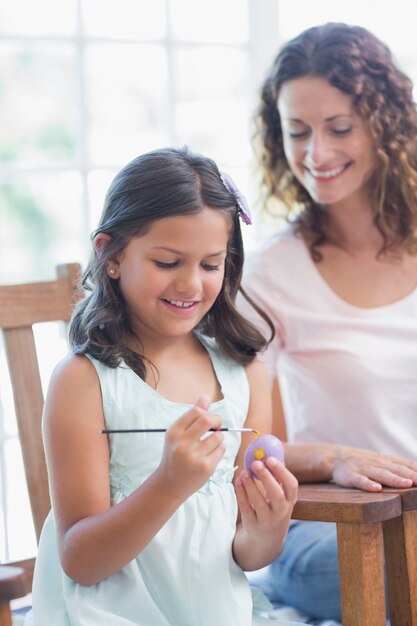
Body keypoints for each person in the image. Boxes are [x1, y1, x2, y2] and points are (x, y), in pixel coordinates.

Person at [31, 147, 302, 626]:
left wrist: (270, 526)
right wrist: (167, 485)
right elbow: (80, 560)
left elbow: (247, 554)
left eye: (211, 264)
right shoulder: (84, 381)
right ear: (110, 255)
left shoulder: (245, 376)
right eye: (168, 262)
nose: (191, 284)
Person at [238, 22, 417, 623]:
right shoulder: (269, 275)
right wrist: (335, 458)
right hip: (330, 529)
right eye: (297, 132)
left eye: (339, 128)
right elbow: (248, 448)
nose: (317, 153)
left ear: (385, 124)